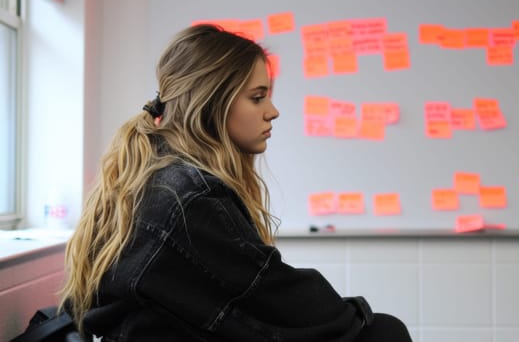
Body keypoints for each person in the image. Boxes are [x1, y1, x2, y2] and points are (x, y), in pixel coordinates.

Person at [60, 24, 412, 342]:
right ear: (212, 103)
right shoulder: (190, 196)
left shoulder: (154, 176)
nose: (272, 111)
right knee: (385, 332)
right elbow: (282, 298)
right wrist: (357, 317)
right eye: (257, 97)